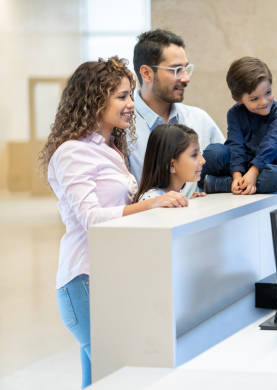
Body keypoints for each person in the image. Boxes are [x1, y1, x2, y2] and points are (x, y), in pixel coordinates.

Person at [39, 57, 188, 388]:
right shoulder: (72, 152)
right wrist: (153, 204)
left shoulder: (110, 149)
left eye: (130, 96)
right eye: (122, 96)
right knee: (123, 376)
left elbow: (125, 207)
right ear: (94, 99)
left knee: (99, 381)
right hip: (85, 281)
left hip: (110, 278)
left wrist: (169, 195)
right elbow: (91, 218)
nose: (131, 105)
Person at [129, 29, 224, 197]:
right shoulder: (123, 127)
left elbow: (232, 167)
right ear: (147, 73)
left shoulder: (199, 119)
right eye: (176, 70)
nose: (186, 78)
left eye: (186, 68)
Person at [199, 56, 277, 195]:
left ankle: (220, 184)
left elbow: (271, 145)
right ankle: (238, 183)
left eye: (268, 93)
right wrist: (237, 176)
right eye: (254, 98)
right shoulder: (234, 113)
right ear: (238, 99)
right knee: (213, 153)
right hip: (237, 165)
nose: (264, 102)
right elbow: (235, 145)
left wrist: (253, 172)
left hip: (265, 167)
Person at [135, 123, 206, 201]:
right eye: (194, 155)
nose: (203, 161)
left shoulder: (174, 197)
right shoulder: (151, 201)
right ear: (171, 165)